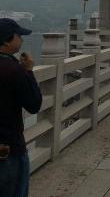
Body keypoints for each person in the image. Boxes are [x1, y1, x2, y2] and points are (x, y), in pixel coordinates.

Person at [0, 18, 42, 197]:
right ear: (7, 40)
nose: (22, 40)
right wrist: (29, 71)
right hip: (9, 149)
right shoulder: (14, 70)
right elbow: (34, 104)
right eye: (19, 36)